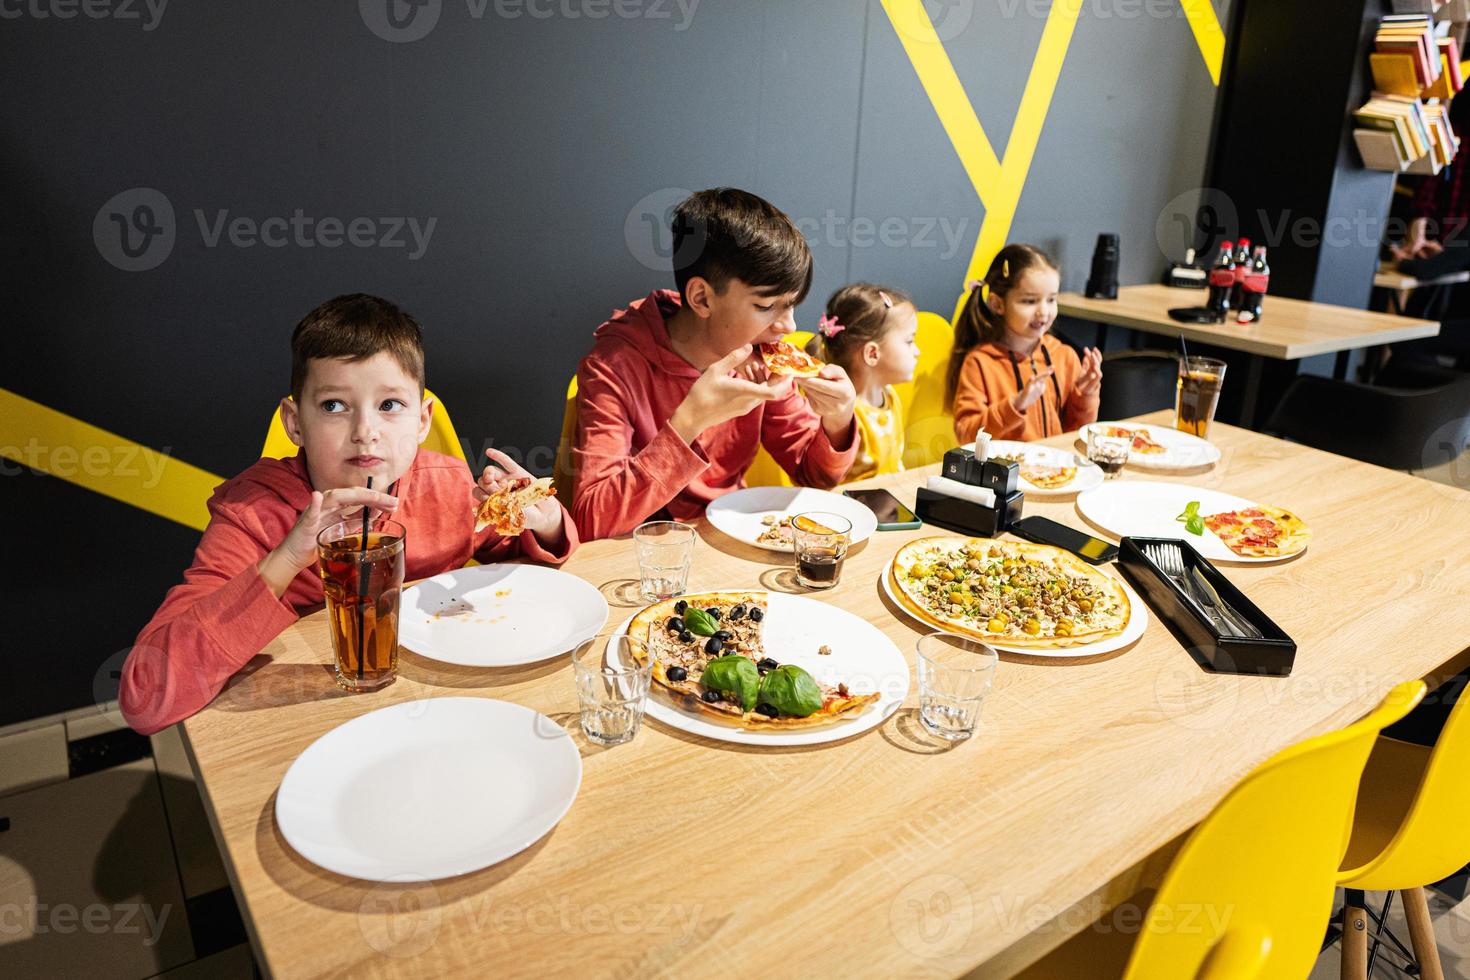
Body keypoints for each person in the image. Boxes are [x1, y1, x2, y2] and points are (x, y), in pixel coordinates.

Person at [119, 294, 576, 735]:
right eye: (334, 406)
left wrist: (542, 518)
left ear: (421, 421)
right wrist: (284, 559)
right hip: (307, 717)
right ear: (295, 423)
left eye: (389, 405)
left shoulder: (449, 485)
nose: (365, 433)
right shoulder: (251, 515)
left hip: (437, 705)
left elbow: (537, 566)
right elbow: (145, 697)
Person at [571, 188, 859, 540]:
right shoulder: (614, 366)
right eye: (766, 307)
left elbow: (814, 474)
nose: (789, 327)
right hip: (640, 557)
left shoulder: (764, 357)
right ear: (701, 298)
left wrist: (838, 419)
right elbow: (591, 519)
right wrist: (689, 422)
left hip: (729, 541)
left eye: (792, 305)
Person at [947, 243, 1102, 444]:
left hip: (1054, 472)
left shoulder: (1064, 356)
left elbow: (1074, 434)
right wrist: (1015, 405)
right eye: (1029, 301)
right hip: (1003, 473)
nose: (1043, 312)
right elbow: (967, 435)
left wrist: (1085, 396)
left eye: (1051, 300)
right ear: (997, 304)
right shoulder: (980, 363)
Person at [805, 283, 919, 481]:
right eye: (909, 341)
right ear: (872, 353)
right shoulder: (843, 413)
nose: (917, 351)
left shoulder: (890, 396)